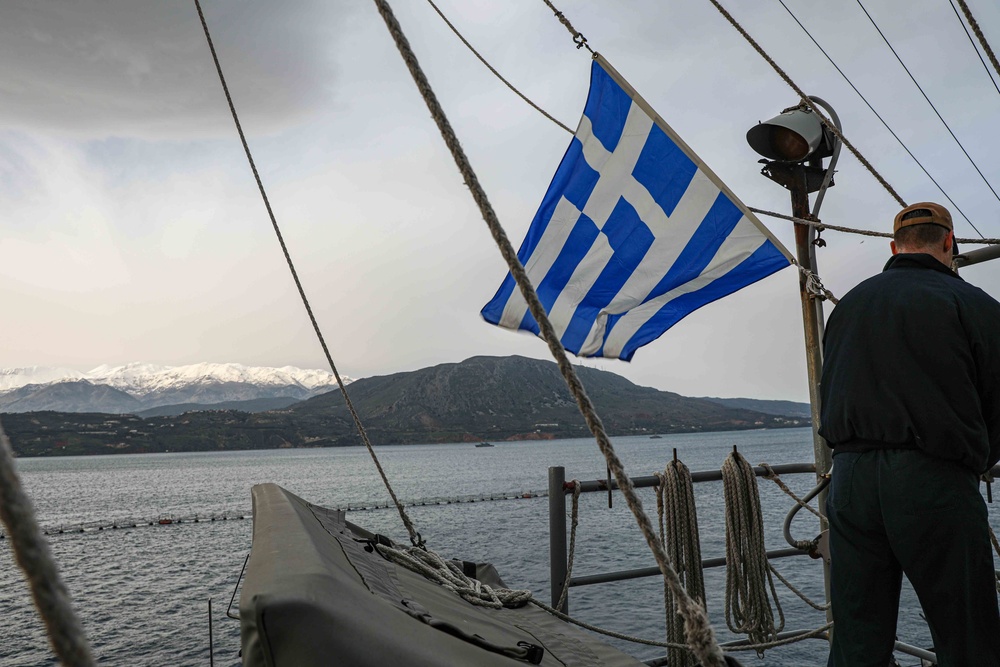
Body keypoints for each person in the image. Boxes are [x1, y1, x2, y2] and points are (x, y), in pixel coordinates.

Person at [818, 202, 1000, 667]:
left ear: (894, 247)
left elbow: (832, 389)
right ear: (949, 242)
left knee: (858, 638)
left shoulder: (848, 306)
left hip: (851, 482)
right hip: (932, 481)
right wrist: (975, 460)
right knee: (966, 635)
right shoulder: (975, 306)